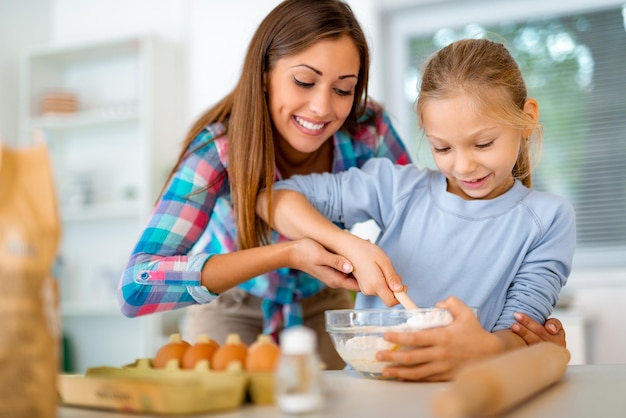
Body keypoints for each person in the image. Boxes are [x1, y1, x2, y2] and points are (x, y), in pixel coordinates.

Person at [256, 38, 576, 381]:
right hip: (371, 389)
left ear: (527, 119)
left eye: (483, 144)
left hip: (466, 391)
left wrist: (483, 347)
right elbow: (272, 198)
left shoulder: (548, 219)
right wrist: (348, 244)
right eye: (443, 147)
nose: (464, 165)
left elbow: (522, 332)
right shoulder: (399, 188)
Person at [118, 0, 411, 370]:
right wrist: (286, 253)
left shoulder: (369, 131)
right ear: (263, 75)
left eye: (343, 89)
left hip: (325, 301)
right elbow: (136, 287)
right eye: (304, 81)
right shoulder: (219, 151)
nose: (322, 108)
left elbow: (419, 218)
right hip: (232, 305)